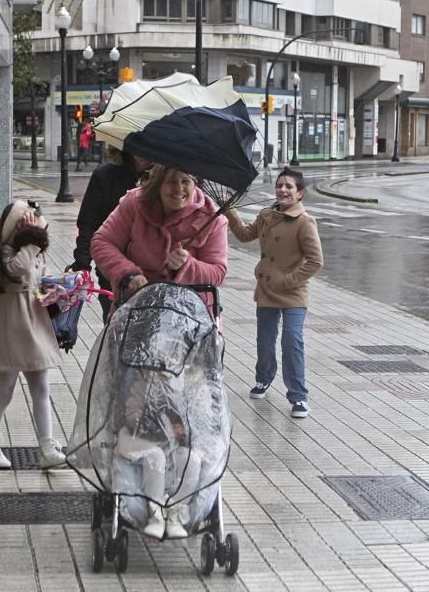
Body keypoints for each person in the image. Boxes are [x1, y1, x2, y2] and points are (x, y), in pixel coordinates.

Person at [0, 200, 66, 469]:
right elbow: (18, 269)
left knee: (41, 386)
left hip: (32, 324)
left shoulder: (29, 248)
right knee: (5, 389)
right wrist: (32, 239)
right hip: (9, 326)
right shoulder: (5, 249)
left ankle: (47, 447)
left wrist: (60, 285)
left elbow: (37, 274)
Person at [227, 169, 323, 419]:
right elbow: (245, 234)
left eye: (289, 186)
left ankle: (298, 396)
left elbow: (315, 261)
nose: (283, 190)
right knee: (265, 340)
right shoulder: (266, 215)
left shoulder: (305, 222)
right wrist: (230, 211)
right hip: (267, 287)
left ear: (300, 193)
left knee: (292, 341)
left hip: (293, 291)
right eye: (280, 185)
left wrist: (288, 280)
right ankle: (263, 379)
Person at [90, 165, 228, 313]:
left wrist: (187, 264)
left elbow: (217, 272)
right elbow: (102, 242)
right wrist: (127, 273)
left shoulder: (212, 218)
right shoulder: (135, 203)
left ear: (194, 184)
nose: (179, 189)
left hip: (191, 315)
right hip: (136, 308)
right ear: (158, 183)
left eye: (185, 181)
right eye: (171, 181)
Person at [115, 368, 202, 539]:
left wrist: (185, 428)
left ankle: (176, 513)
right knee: (155, 457)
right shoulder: (145, 377)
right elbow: (132, 414)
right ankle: (156, 515)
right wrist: (161, 429)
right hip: (147, 438)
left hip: (181, 442)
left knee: (192, 460)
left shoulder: (193, 377)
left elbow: (201, 413)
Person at [69, 146, 152, 322]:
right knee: (116, 325)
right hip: (113, 267)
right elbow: (89, 221)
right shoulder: (105, 175)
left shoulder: (166, 179)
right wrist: (82, 262)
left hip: (152, 269)